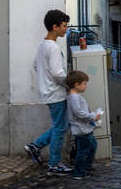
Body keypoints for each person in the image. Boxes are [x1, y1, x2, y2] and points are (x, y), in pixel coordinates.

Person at [24, 9, 74, 175]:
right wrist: (70, 85)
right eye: (64, 26)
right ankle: (54, 164)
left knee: (60, 125)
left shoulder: (42, 45)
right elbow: (57, 73)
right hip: (56, 93)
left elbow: (36, 66)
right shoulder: (53, 48)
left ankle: (35, 146)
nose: (66, 29)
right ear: (55, 26)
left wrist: (44, 80)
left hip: (47, 91)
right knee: (60, 128)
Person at [65, 70, 102, 180]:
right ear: (77, 85)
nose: (86, 86)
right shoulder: (74, 97)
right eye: (84, 83)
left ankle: (86, 167)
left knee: (92, 146)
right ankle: (79, 172)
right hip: (82, 129)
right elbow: (78, 113)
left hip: (85, 128)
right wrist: (92, 117)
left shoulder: (74, 97)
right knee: (83, 150)